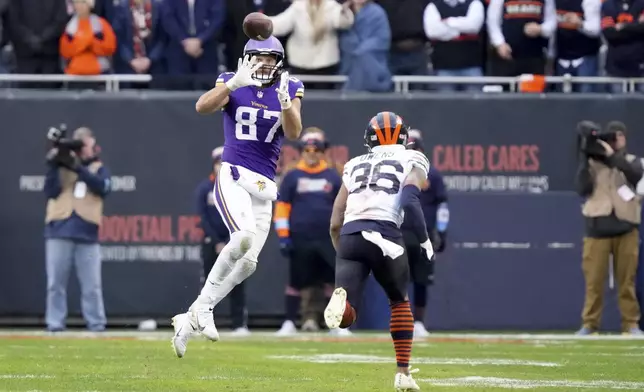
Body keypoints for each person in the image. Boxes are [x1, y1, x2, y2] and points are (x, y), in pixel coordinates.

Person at [171, 35, 305, 358]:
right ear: (247, 59)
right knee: (243, 237)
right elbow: (202, 106)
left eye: (270, 59)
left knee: (248, 264)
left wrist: (286, 103)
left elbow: (294, 132)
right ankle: (204, 310)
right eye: (259, 58)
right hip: (233, 174)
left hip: (264, 185)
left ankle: (191, 318)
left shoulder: (289, 86)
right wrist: (231, 87)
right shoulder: (232, 80)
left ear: (279, 61)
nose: (264, 64)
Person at [325, 111, 432, 391]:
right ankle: (402, 372)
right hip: (385, 233)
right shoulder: (412, 158)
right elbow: (409, 199)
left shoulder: (354, 163)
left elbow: (336, 219)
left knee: (348, 317)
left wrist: (343, 249)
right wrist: (423, 239)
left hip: (351, 233)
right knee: (399, 301)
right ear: (403, 136)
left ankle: (343, 305)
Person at [576, 121, 643, 335]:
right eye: (612, 137)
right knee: (593, 282)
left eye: (619, 136)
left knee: (627, 282)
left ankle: (630, 323)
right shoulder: (592, 164)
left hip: (626, 227)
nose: (615, 141)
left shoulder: (634, 162)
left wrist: (613, 156)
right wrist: (584, 156)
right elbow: (582, 188)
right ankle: (590, 324)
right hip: (597, 227)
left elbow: (635, 176)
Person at [274, 135, 344, 336]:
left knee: (333, 281)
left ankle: (336, 324)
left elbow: (342, 207)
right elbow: (282, 207)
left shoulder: (332, 176)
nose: (312, 154)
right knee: (297, 280)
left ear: (323, 152)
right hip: (300, 236)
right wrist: (283, 235)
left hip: (328, 237)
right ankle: (288, 322)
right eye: (307, 151)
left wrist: (343, 232)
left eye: (316, 151)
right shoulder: (292, 176)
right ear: (302, 152)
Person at [44, 127, 111, 332]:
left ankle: (96, 323)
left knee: (92, 286)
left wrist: (79, 167)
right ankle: (55, 323)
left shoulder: (98, 168)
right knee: (55, 284)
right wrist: (57, 164)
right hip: (59, 230)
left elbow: (103, 187)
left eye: (87, 146)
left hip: (87, 233)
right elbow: (50, 191)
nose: (85, 151)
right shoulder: (62, 167)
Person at [195, 147, 250, 336]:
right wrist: (218, 241)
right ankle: (206, 323)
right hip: (212, 242)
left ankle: (239, 324)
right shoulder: (205, 188)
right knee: (210, 283)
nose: (221, 166)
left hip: (233, 242)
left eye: (224, 163)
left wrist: (229, 241)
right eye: (218, 162)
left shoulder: (237, 187)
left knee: (236, 281)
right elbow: (202, 217)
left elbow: (242, 215)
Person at [402, 129, 449, 338]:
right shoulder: (395, 172)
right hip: (399, 232)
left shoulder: (433, 174)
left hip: (424, 234)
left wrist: (442, 231)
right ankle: (400, 320)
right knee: (398, 279)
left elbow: (442, 206)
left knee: (421, 280)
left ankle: (419, 322)